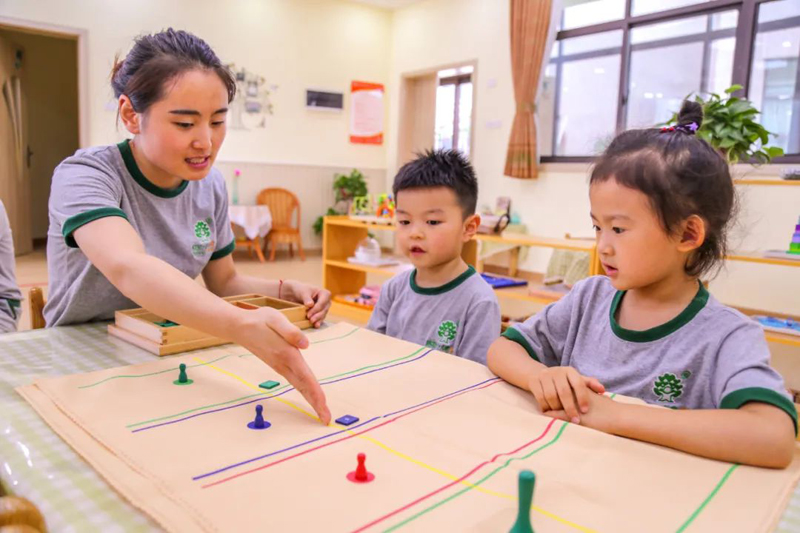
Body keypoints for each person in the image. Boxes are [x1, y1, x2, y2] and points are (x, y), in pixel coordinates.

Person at [487, 101, 796, 468]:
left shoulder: (727, 335)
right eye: (597, 227)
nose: (603, 245)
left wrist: (616, 416)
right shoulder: (589, 298)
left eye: (618, 229)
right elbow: (502, 350)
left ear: (688, 233)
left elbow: (774, 438)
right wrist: (542, 376)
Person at [45, 29, 331, 423]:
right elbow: (129, 266)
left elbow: (225, 282)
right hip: (84, 356)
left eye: (217, 121)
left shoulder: (209, 185)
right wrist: (240, 324)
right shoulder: (85, 175)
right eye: (184, 124)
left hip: (170, 347)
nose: (206, 142)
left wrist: (284, 290)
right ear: (131, 115)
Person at [367, 150, 500, 365]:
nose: (415, 233)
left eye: (432, 222)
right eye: (404, 222)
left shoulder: (479, 301)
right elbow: (372, 351)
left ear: (468, 228)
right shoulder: (394, 289)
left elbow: (475, 380)